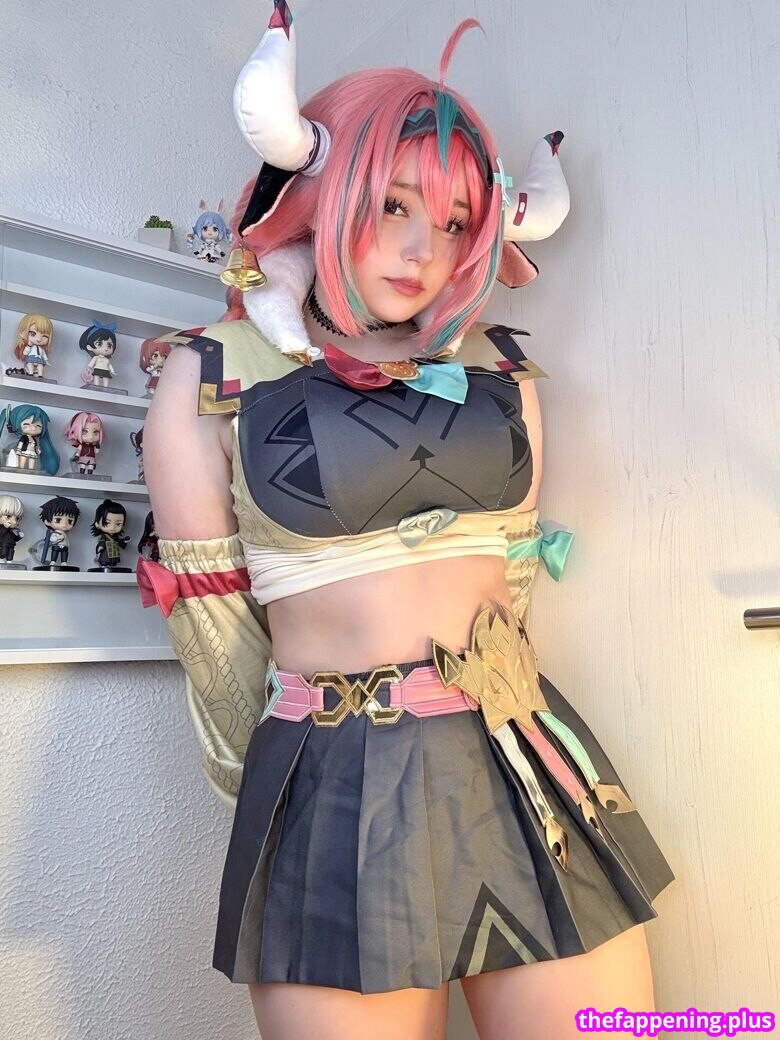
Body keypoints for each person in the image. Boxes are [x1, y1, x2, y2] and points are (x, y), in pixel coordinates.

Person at [139, 5, 675, 1038]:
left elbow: (514, 582)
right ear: (325, 191)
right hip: (335, 776)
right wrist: (278, 806)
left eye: (458, 221)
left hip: (523, 756)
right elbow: (215, 635)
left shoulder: (503, 371)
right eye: (391, 204)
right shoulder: (211, 372)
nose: (423, 248)